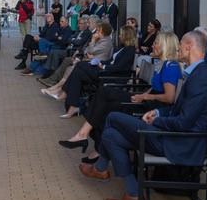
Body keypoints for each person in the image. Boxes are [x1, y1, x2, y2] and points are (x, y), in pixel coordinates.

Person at [78, 31, 207, 200]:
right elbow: (178, 110)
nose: (178, 47)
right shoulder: (198, 74)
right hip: (174, 137)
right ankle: (132, 193)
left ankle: (101, 169)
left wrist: (155, 121)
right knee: (110, 135)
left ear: (189, 46)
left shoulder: (200, 78)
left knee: (112, 117)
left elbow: (183, 122)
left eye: (181, 43)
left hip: (181, 143)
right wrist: (158, 113)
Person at [59, 31, 183, 161]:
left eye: (156, 43)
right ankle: (88, 142)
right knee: (103, 98)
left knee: (105, 98)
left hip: (151, 108)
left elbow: (169, 98)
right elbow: (156, 87)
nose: (153, 45)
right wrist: (144, 95)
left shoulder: (171, 67)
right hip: (146, 100)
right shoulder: (165, 64)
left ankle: (88, 141)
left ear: (164, 45)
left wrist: (144, 97)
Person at [46, 25, 138, 118]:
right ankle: (72, 107)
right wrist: (99, 62)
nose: (119, 36)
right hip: (106, 71)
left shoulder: (130, 50)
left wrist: (103, 66)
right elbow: (111, 60)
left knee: (79, 65)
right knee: (78, 73)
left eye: (121, 34)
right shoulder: (121, 46)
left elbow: (120, 67)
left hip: (112, 76)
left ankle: (64, 93)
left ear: (126, 36)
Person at [39, 22, 113, 95]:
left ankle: (58, 88)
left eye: (98, 30)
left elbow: (90, 49)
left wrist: (92, 41)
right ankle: (55, 81)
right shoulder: (98, 38)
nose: (96, 31)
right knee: (67, 60)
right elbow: (86, 49)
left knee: (70, 68)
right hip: (85, 58)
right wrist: (88, 53)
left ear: (103, 32)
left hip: (93, 65)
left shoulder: (104, 41)